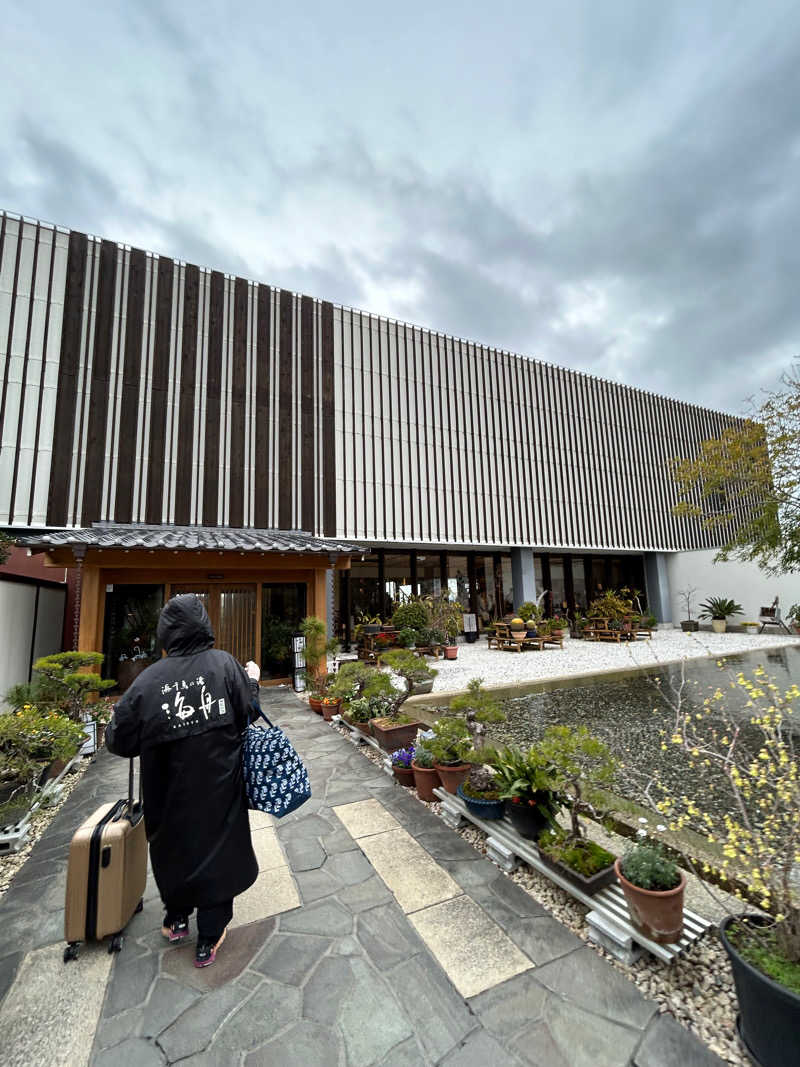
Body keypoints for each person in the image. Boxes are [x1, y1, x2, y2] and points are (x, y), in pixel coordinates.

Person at [106, 593, 260, 967]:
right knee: (220, 851)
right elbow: (249, 711)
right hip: (219, 786)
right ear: (204, 625)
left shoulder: (148, 682)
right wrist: (252, 680)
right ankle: (209, 935)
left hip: (166, 793)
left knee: (172, 850)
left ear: (165, 634)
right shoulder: (224, 665)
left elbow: (118, 740)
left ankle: (176, 918)